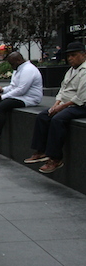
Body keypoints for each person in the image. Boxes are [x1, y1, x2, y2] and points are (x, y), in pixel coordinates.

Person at [23, 41, 86, 174]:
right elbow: (63, 90)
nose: (70, 59)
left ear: (83, 55)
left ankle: (55, 158)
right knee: (43, 116)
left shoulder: (84, 71)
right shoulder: (71, 71)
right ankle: (40, 151)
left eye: (74, 55)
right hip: (66, 104)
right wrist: (56, 104)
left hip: (80, 105)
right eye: (69, 56)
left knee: (58, 119)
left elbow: (80, 97)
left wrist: (61, 107)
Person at [0, 52, 43, 148]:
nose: (11, 66)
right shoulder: (19, 69)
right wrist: (3, 90)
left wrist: (3, 97)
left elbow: (21, 89)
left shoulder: (28, 70)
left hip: (30, 98)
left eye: (12, 63)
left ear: (19, 60)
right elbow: (13, 86)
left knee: (1, 107)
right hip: (21, 96)